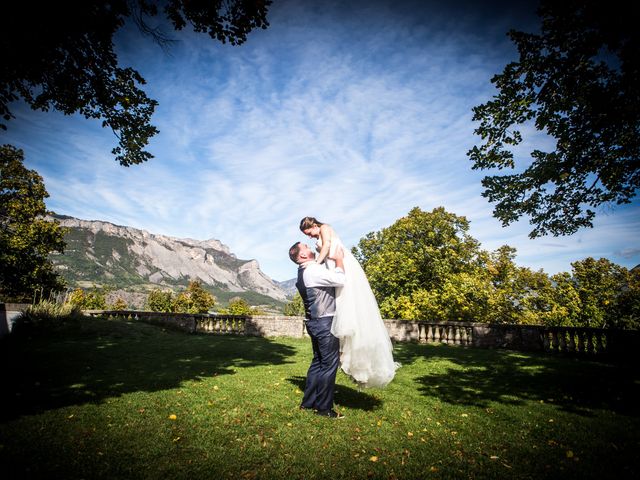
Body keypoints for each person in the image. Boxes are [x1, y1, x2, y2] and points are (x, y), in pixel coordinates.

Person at [299, 217, 398, 388]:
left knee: (347, 302)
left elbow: (328, 248)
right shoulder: (318, 235)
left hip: (342, 265)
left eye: (309, 232)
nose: (310, 237)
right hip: (334, 267)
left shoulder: (324, 228)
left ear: (314, 225)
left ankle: (345, 353)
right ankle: (344, 352)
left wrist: (316, 264)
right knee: (342, 306)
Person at [289, 241, 346, 418]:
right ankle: (323, 408)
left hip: (314, 322)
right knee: (329, 364)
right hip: (324, 322)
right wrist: (339, 261)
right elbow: (340, 280)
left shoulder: (304, 271)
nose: (310, 247)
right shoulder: (312, 270)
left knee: (318, 362)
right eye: (306, 246)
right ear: (303, 255)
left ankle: (308, 402)